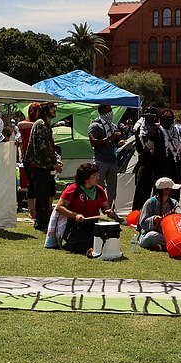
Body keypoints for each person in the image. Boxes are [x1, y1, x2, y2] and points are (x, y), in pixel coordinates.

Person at [50, 162, 117, 251]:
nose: (98, 177)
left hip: (93, 225)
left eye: (97, 174)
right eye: (94, 175)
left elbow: (105, 207)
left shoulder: (99, 190)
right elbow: (59, 208)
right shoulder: (73, 189)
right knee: (81, 246)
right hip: (75, 226)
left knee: (104, 244)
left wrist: (108, 211)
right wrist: (75, 215)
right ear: (85, 178)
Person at [24, 101, 62, 232]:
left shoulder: (46, 125)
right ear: (46, 110)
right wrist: (54, 163)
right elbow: (42, 148)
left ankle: (44, 220)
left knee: (45, 194)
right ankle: (41, 222)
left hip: (43, 165)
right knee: (41, 195)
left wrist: (55, 160)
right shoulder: (40, 124)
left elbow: (49, 146)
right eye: (52, 108)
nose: (54, 110)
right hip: (37, 165)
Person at [87, 103, 122, 204]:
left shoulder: (112, 125)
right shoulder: (95, 125)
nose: (110, 113)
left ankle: (109, 208)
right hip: (100, 160)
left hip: (112, 160)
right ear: (102, 112)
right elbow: (93, 142)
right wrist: (109, 138)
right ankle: (96, 206)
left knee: (112, 187)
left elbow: (115, 142)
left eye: (111, 110)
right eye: (108, 110)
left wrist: (119, 142)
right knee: (98, 185)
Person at [137, 176, 181, 251]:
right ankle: (174, 245)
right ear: (165, 190)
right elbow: (142, 223)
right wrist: (153, 220)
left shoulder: (174, 203)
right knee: (149, 237)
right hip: (155, 234)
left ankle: (162, 246)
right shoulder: (150, 203)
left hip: (169, 233)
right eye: (169, 189)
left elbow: (179, 217)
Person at [132, 107, 163, 210]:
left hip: (157, 163)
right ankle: (137, 212)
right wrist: (148, 151)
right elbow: (139, 147)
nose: (150, 119)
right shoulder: (139, 130)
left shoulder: (160, 130)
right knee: (141, 190)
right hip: (144, 162)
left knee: (157, 189)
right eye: (148, 117)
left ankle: (155, 211)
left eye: (152, 117)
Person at [17, 103, 42, 218]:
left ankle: (38, 208)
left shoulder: (42, 124)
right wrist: (37, 124)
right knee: (31, 185)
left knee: (39, 185)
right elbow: (19, 125)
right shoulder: (27, 123)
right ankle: (32, 210)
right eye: (36, 111)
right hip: (29, 158)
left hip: (40, 158)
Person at [157, 108, 181, 197]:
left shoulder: (177, 131)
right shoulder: (157, 131)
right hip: (161, 166)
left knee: (175, 190)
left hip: (175, 165)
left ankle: (173, 208)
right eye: (165, 116)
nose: (167, 119)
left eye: (169, 117)